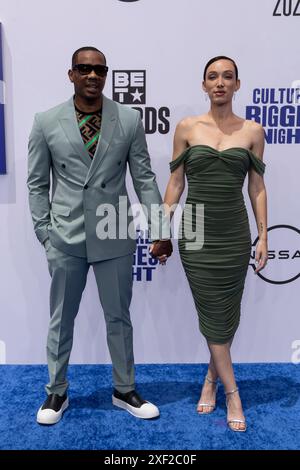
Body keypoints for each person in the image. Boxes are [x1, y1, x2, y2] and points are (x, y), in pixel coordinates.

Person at [27, 46, 172, 425]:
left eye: (100, 70)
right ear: (71, 74)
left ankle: (125, 389)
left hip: (114, 230)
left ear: (106, 75)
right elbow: (37, 183)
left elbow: (143, 177)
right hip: (66, 234)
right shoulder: (45, 121)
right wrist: (45, 232)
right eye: (84, 68)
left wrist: (159, 228)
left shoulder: (127, 119)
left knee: (119, 318)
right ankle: (56, 393)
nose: (92, 75)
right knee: (61, 318)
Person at [164, 56, 268, 432]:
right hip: (196, 233)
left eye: (227, 77)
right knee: (212, 314)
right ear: (204, 85)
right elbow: (176, 183)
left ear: (237, 84)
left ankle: (210, 380)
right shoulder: (187, 128)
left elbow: (256, 187)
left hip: (235, 233)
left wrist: (264, 235)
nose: (220, 82)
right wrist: (162, 229)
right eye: (212, 77)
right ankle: (232, 392)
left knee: (227, 315)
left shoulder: (253, 131)